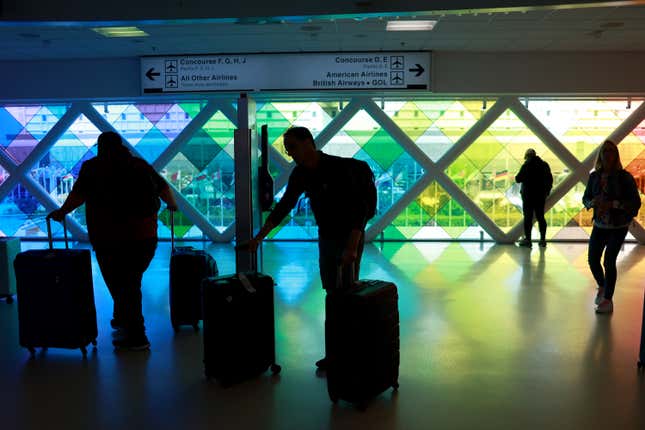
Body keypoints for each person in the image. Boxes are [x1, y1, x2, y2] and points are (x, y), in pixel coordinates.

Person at [243, 126, 375, 370]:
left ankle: (348, 354)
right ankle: (336, 353)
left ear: (308, 143)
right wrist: (259, 237)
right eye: (287, 149)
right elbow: (284, 206)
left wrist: (352, 248)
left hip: (349, 237)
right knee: (333, 294)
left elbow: (360, 210)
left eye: (292, 147)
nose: (290, 153)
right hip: (327, 237)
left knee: (346, 294)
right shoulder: (301, 174)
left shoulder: (340, 168)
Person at [48, 131, 178, 350]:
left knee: (122, 283)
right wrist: (172, 205)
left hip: (108, 237)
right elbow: (163, 187)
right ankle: (122, 320)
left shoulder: (93, 167)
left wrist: (62, 211)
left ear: (100, 146)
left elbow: (78, 195)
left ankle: (137, 336)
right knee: (129, 281)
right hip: (144, 236)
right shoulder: (139, 165)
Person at [582, 139, 640, 314]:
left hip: (618, 225)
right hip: (600, 225)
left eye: (611, 151)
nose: (608, 154)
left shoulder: (624, 177)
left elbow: (635, 202)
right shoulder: (594, 177)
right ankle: (603, 286)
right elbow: (585, 198)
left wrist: (613, 204)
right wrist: (592, 202)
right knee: (593, 259)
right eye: (605, 151)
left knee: (609, 261)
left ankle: (608, 299)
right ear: (600, 155)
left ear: (616, 155)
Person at [515, 148, 553, 248]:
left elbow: (518, 179)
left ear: (527, 156)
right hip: (540, 195)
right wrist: (546, 192)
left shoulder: (526, 165)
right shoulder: (544, 165)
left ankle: (528, 240)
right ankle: (542, 240)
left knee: (528, 218)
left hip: (528, 196)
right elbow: (550, 179)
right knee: (540, 217)